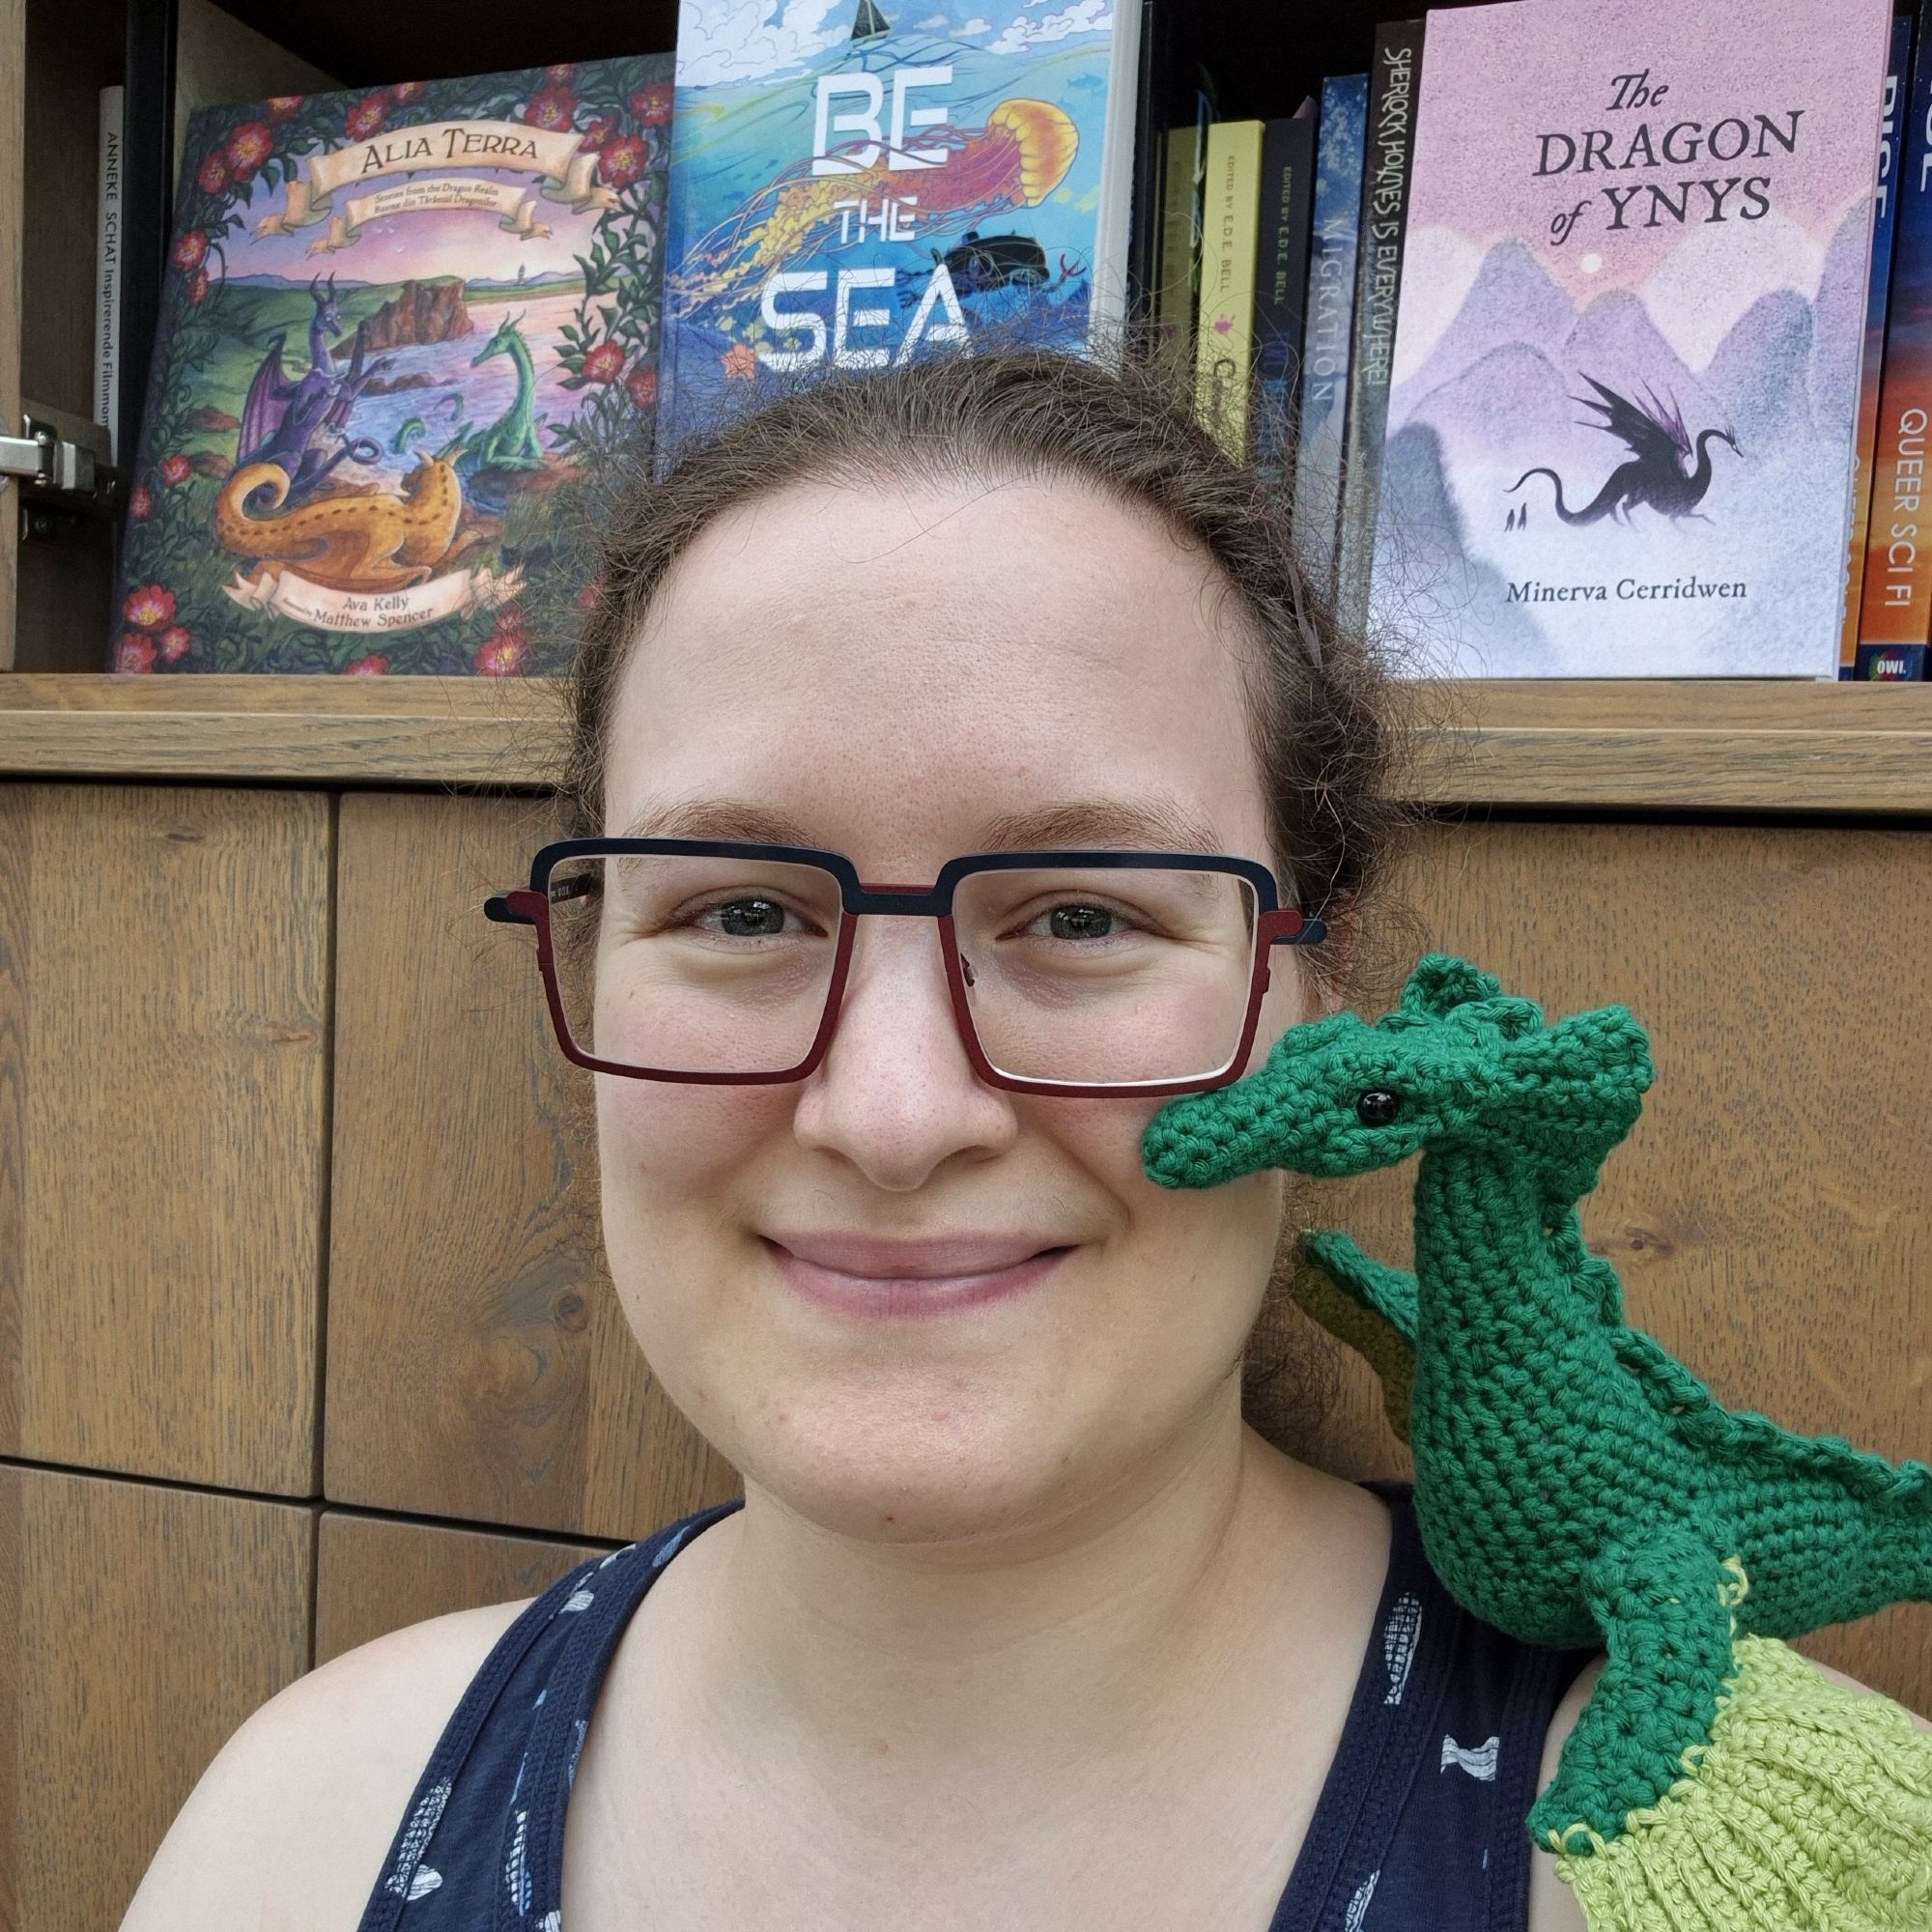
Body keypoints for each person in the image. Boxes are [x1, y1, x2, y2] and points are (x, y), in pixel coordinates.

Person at [121, 348, 1925, 1932]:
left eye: (1083, 917)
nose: (895, 1117)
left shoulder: (1767, 1861)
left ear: (1318, 981)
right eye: (742, 915)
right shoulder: (305, 1826)